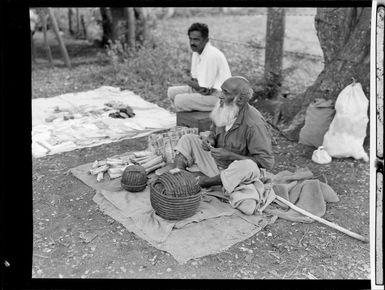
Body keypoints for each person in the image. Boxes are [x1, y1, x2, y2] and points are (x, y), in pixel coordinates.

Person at [173, 76, 275, 214]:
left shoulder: (254, 124)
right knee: (188, 139)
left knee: (248, 186)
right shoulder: (224, 107)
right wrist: (210, 139)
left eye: (225, 93)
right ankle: (179, 176)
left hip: (236, 173)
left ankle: (204, 182)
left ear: (239, 99)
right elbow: (214, 130)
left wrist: (230, 155)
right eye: (221, 91)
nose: (220, 96)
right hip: (217, 164)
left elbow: (266, 163)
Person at [167, 23, 231, 112]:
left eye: (196, 39)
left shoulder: (211, 55)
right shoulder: (196, 52)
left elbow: (205, 90)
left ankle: (209, 116)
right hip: (206, 92)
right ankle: (195, 114)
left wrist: (188, 81)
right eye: (190, 39)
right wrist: (193, 83)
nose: (192, 43)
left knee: (179, 100)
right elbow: (196, 81)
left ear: (206, 40)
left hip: (220, 97)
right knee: (171, 92)